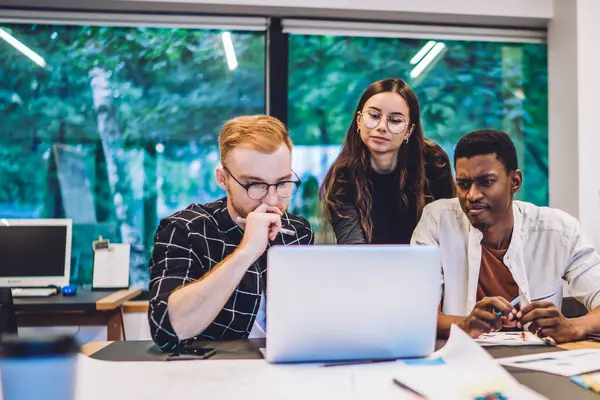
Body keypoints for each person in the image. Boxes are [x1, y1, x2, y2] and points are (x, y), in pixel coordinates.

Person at [411, 129, 600, 343]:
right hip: (463, 361)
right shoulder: (438, 221)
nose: (472, 195)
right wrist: (463, 324)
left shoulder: (558, 230)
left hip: (539, 364)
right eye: (463, 184)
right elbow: (412, 314)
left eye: (486, 181)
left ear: (515, 181)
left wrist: (574, 326)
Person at [148, 115, 314, 351]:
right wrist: (246, 251)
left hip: (285, 367)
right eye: (254, 184)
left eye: (282, 183)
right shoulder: (185, 229)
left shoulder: (298, 231)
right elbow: (168, 330)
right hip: (212, 372)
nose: (271, 199)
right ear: (223, 179)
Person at [320, 78, 455, 245]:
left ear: (409, 131)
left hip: (427, 266)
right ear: (359, 121)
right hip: (367, 267)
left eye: (395, 120)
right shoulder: (343, 176)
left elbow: (447, 234)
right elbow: (353, 248)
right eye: (374, 116)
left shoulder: (434, 163)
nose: (382, 126)